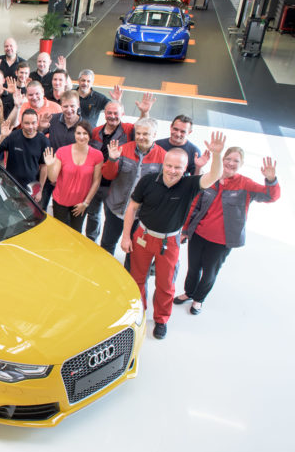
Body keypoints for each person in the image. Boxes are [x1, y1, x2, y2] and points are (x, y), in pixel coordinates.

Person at [120, 132, 226, 339]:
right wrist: (126, 236)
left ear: (185, 168)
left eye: (178, 167)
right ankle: (138, 312)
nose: (172, 171)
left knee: (166, 284)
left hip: (169, 242)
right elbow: (132, 208)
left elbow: (214, 176)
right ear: (163, 163)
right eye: (169, 165)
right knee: (136, 279)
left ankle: (161, 320)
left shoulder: (190, 184)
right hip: (142, 236)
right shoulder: (148, 180)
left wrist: (217, 155)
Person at [178, 149, 280, 314]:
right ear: (222, 159)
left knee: (210, 271)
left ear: (242, 164)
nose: (231, 163)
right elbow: (194, 205)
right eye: (228, 159)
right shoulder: (210, 179)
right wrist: (186, 229)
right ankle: (189, 293)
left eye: (236, 161)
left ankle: (198, 300)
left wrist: (270, 180)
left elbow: (271, 196)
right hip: (198, 234)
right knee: (193, 267)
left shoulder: (246, 184)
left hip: (222, 242)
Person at [86, 95, 154, 242]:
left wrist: (144, 113)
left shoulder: (129, 130)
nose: (112, 116)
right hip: (96, 182)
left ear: (122, 114)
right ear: (104, 114)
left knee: (110, 218)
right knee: (92, 215)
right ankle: (90, 241)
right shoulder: (96, 131)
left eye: (116, 113)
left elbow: (142, 127)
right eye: (109, 113)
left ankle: (107, 240)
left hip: (115, 185)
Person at [99, 117, 167, 255]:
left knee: (134, 250)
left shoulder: (163, 157)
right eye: (138, 133)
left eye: (146, 134)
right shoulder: (123, 149)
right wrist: (112, 160)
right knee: (107, 244)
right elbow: (108, 175)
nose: (141, 137)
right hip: (116, 208)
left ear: (154, 135)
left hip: (140, 215)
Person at [43, 121, 103, 232]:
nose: (81, 137)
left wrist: (86, 203)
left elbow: (96, 181)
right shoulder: (62, 151)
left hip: (81, 203)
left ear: (90, 135)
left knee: (76, 232)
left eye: (85, 133)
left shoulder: (97, 155)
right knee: (59, 231)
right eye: (78, 133)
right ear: (74, 134)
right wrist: (50, 165)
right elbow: (53, 178)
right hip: (60, 200)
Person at [0, 109, 49, 192]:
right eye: (27, 123)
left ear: (37, 122)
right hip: (10, 184)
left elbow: (44, 167)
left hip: (30, 187)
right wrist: (2, 136)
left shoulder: (44, 141)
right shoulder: (13, 136)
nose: (30, 126)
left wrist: (40, 190)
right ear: (22, 123)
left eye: (33, 123)